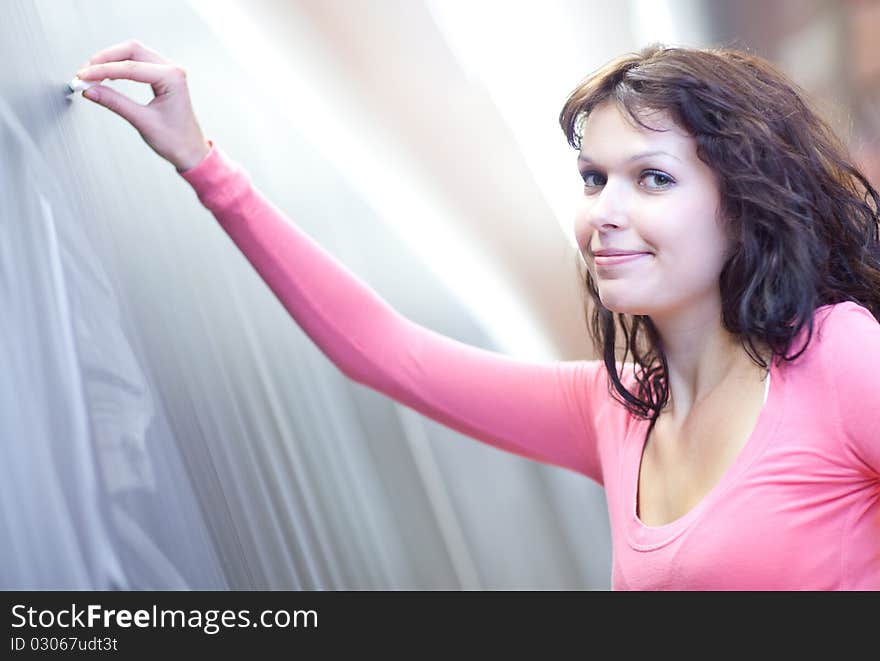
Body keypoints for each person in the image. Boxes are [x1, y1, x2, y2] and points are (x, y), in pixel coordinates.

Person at [73, 40, 880, 590]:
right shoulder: (615, 409)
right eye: (594, 178)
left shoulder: (839, 360)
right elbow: (382, 350)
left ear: (743, 207)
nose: (605, 211)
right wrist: (202, 162)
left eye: (653, 179)